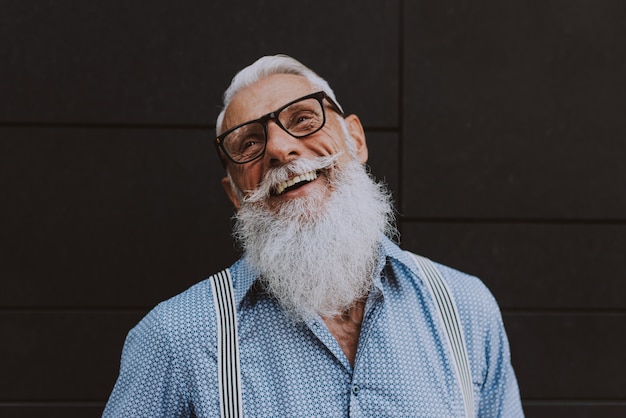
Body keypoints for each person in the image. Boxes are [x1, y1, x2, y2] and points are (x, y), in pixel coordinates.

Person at [104, 54, 523, 417]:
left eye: (302, 119)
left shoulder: (466, 309)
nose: (280, 148)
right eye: (249, 143)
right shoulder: (175, 337)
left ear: (355, 140)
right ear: (236, 194)